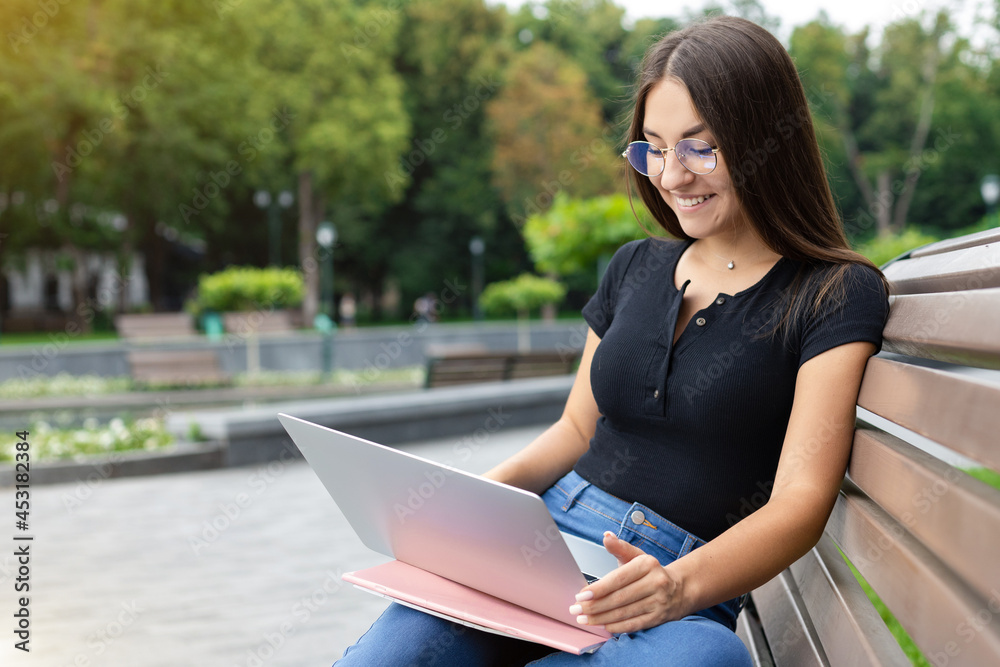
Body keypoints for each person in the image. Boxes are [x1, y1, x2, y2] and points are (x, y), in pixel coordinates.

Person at [335, 15, 889, 666]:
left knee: (704, 660)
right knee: (396, 652)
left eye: (699, 148)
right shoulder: (634, 266)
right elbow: (576, 429)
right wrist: (467, 504)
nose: (671, 176)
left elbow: (800, 498)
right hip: (543, 543)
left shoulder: (832, 293)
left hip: (675, 583)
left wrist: (676, 585)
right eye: (654, 149)